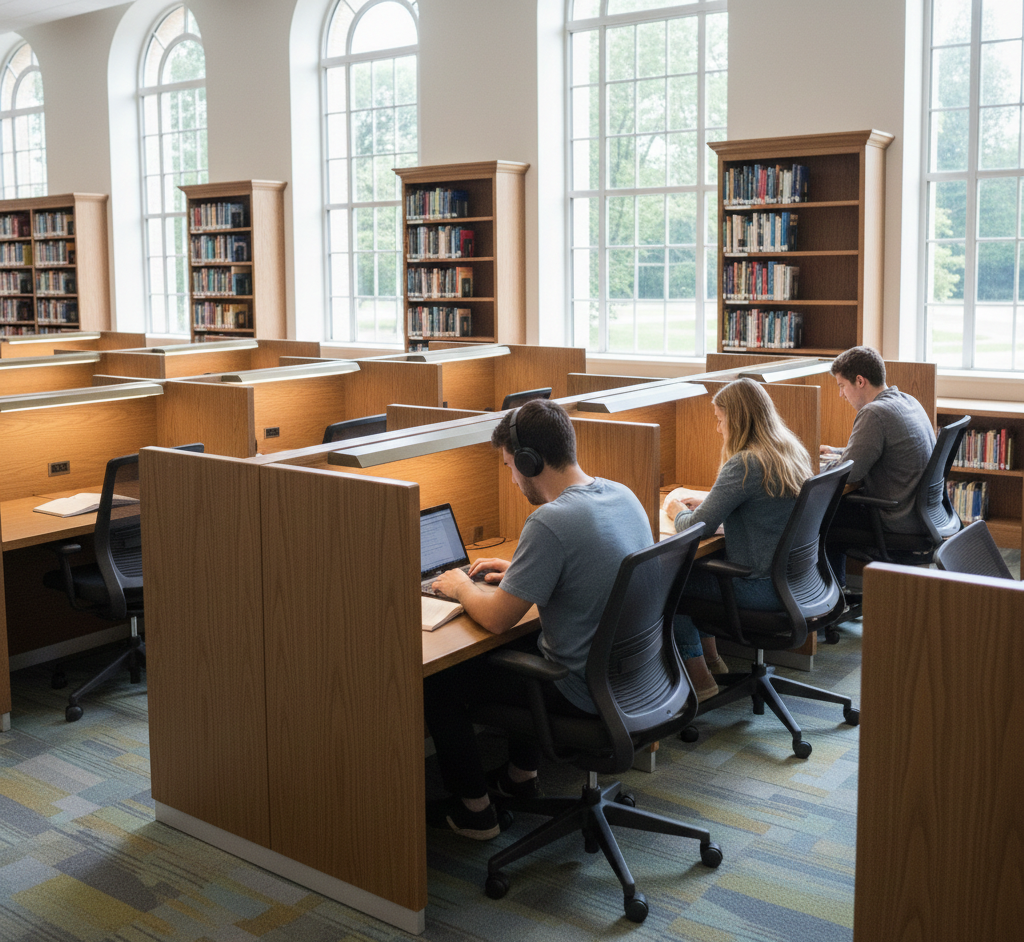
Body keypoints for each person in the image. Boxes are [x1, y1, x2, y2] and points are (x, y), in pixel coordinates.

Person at [423, 399, 653, 840]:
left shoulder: (551, 521)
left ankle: (476, 813)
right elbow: (587, 566)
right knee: (527, 647)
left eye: (510, 465)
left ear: (530, 461)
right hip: (632, 675)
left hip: (580, 689)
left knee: (441, 681)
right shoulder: (621, 494)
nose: (511, 478)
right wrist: (521, 572)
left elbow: (495, 619)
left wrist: (459, 585)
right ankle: (519, 777)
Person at [665, 378, 813, 702]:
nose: (718, 428)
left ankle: (700, 681)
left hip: (760, 587)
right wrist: (710, 501)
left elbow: (696, 528)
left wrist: (675, 510)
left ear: (738, 418)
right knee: (698, 569)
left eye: (720, 419)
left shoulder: (745, 463)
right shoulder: (789, 450)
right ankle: (714, 662)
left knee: (667, 584)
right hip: (798, 582)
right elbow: (760, 504)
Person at [820, 345, 935, 591]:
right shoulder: (906, 400)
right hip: (921, 514)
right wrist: (838, 452)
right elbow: (881, 450)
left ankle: (831, 599)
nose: (841, 394)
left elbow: (851, 473)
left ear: (860, 381)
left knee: (818, 518)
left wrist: (822, 465)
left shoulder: (874, 413)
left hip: (896, 519)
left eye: (842, 386)